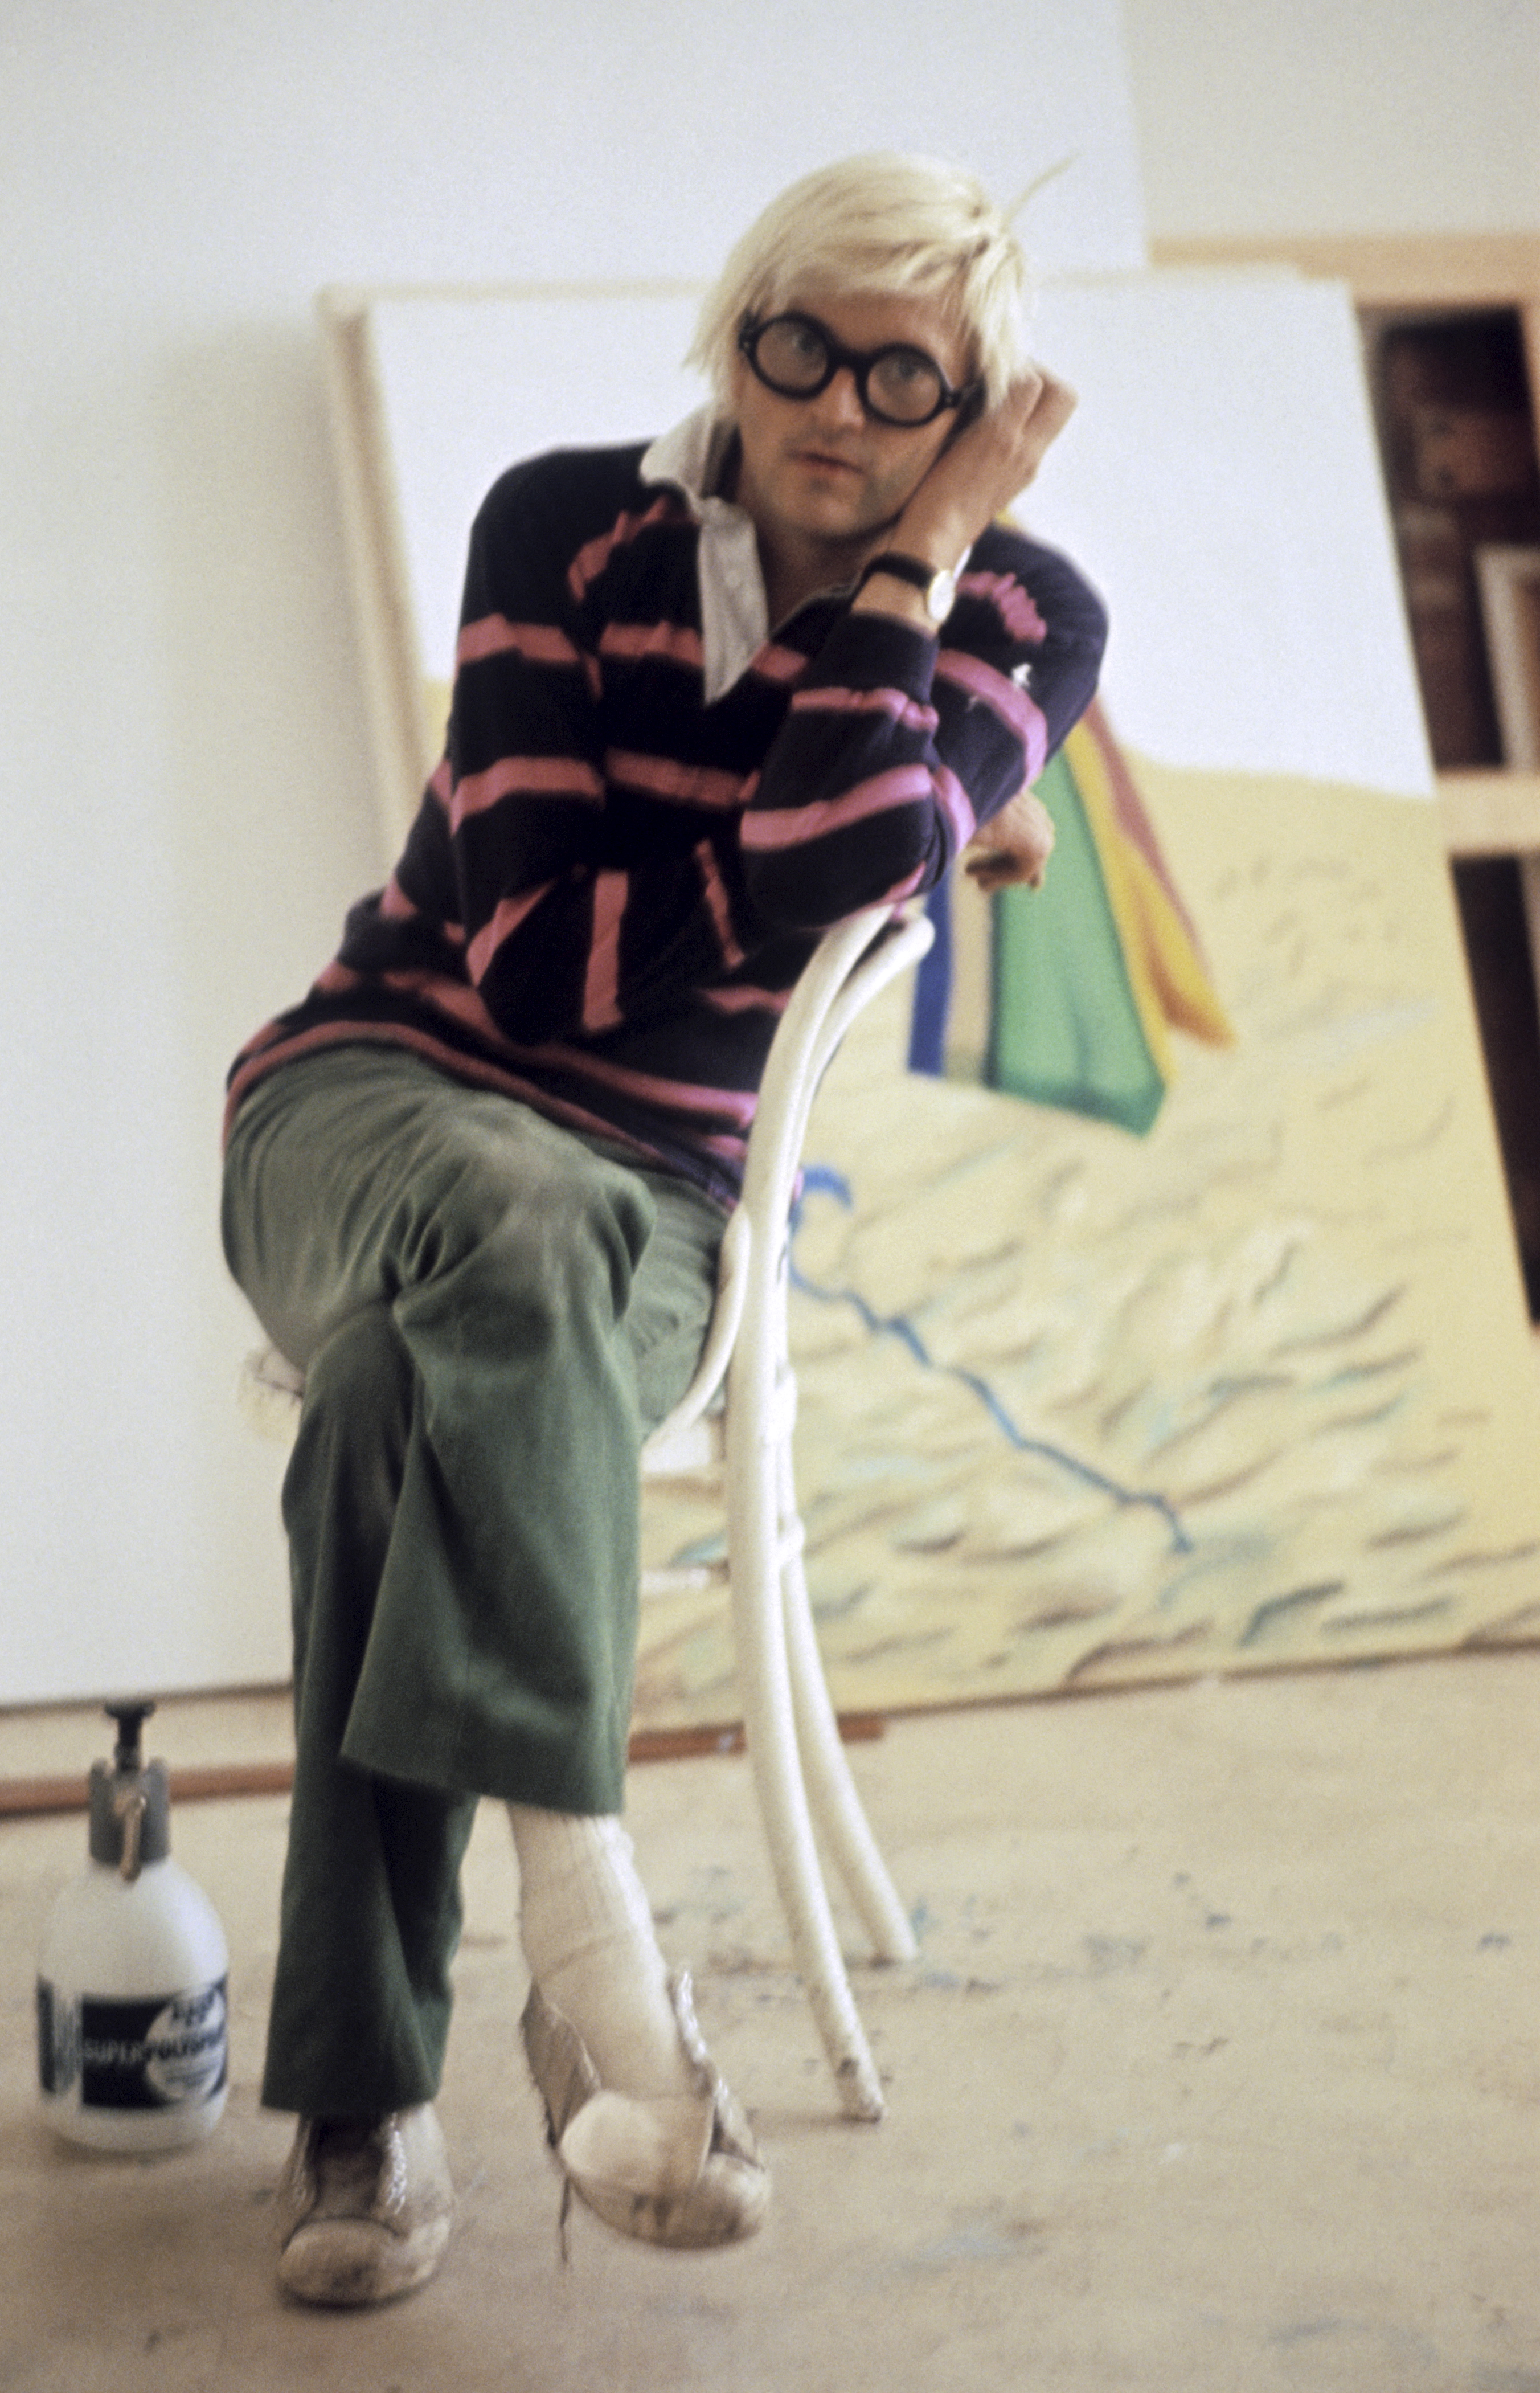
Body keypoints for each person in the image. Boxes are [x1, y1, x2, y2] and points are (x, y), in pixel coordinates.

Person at [222, 150, 1107, 2305]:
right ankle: (598, 1956)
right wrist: (815, 867)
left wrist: (917, 568)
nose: (834, 403)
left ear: (973, 411)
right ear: (736, 328)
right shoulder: (559, 527)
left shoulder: (1020, 613)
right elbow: (529, 969)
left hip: (653, 1215)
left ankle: (359, 2112)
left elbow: (826, 840)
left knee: (388, 1409)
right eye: (796, 342)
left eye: (904, 377)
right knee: (504, 1204)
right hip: (363, 1108)